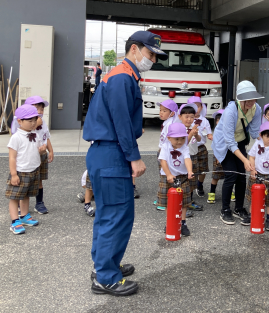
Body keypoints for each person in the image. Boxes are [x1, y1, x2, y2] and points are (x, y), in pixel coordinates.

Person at [83, 30, 163, 296]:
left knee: (112, 215)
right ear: (134, 49)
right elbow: (121, 122)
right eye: (150, 53)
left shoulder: (123, 75)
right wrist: (134, 157)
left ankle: (105, 266)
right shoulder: (121, 77)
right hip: (112, 152)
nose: (152, 59)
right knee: (116, 216)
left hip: (107, 153)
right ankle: (105, 277)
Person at [212, 81, 263, 226]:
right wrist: (245, 160)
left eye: (253, 98)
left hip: (239, 141)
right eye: (246, 99)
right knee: (232, 174)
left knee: (242, 175)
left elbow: (254, 132)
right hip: (224, 143)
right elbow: (228, 140)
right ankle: (225, 209)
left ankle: (239, 208)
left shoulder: (256, 109)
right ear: (240, 98)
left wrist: (264, 148)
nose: (250, 102)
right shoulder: (231, 110)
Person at [6, 105, 42, 235]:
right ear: (20, 121)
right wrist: (13, 174)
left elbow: (36, 149)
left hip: (33, 169)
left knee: (26, 195)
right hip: (20, 171)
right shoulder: (16, 137)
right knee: (15, 197)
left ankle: (25, 216)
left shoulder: (35, 134)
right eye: (29, 121)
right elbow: (12, 158)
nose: (33, 123)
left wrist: (42, 150)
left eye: (34, 120)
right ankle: (15, 221)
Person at [157, 122, 194, 237]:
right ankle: (169, 222)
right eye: (176, 139)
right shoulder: (165, 146)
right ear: (169, 138)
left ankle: (182, 223)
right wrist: (168, 175)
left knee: (184, 201)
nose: (179, 141)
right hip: (167, 176)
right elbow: (163, 161)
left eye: (182, 138)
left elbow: (187, 159)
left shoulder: (184, 147)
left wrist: (189, 171)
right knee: (168, 201)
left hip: (182, 177)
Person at [246, 122, 269, 231]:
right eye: (267, 136)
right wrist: (252, 170)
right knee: (253, 198)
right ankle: (251, 215)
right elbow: (251, 157)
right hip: (257, 174)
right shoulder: (257, 143)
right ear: (261, 135)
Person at [24, 96, 54, 215]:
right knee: (25, 181)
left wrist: (50, 150)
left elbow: (46, 136)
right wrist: (35, 124)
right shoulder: (24, 123)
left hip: (41, 155)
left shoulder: (43, 122)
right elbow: (23, 135)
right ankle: (22, 205)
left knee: (39, 180)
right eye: (37, 108)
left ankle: (39, 203)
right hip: (28, 155)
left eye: (42, 109)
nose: (40, 111)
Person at [187, 96, 213, 199]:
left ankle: (200, 184)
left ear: (202, 107)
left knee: (203, 169)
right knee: (192, 169)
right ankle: (191, 191)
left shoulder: (204, 120)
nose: (196, 109)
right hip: (190, 148)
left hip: (201, 147)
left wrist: (209, 136)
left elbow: (207, 132)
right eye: (193, 106)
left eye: (198, 106)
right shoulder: (188, 120)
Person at [207, 109, 225, 204]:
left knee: (229, 175)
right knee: (216, 176)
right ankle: (212, 192)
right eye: (217, 120)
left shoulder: (230, 130)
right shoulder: (217, 132)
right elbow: (216, 145)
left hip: (228, 156)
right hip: (218, 156)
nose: (219, 122)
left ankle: (231, 192)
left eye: (222, 119)